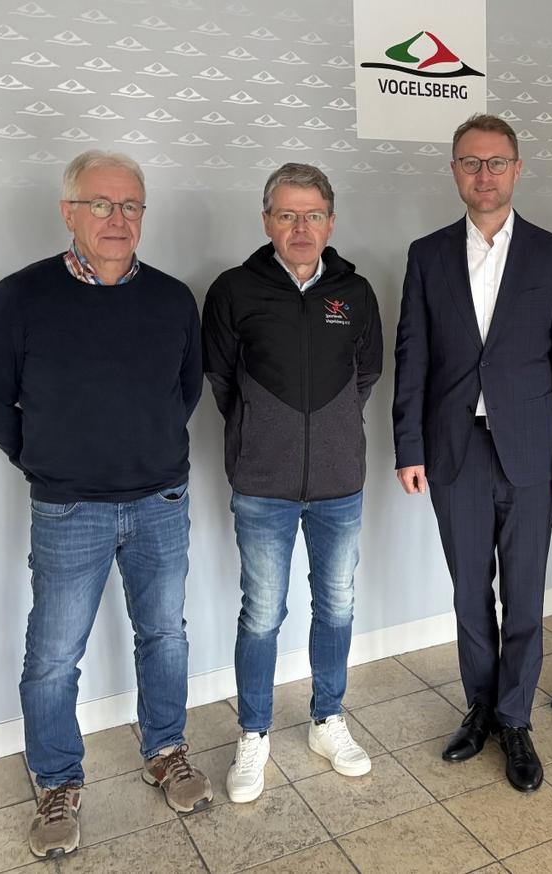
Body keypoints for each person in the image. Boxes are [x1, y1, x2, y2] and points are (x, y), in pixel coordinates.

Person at [0, 150, 211, 859]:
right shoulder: (21, 296)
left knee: (164, 635)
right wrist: (41, 456)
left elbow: (186, 388)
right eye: (100, 204)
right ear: (68, 212)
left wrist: (149, 445)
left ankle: (165, 749)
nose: (117, 219)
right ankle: (56, 780)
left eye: (130, 205)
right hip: (69, 508)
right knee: (54, 657)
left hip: (160, 499)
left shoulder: (172, 298)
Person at [393, 113, 552, 793]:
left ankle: (515, 718)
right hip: (454, 451)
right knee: (469, 592)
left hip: (532, 453)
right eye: (471, 162)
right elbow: (413, 358)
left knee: (526, 595)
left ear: (516, 168)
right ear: (455, 171)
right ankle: (480, 707)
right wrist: (408, 445)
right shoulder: (427, 255)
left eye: (496, 162)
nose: (484, 175)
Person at [202, 163, 382, 801]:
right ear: (267, 221)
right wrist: (264, 432)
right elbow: (222, 381)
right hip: (262, 485)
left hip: (339, 482)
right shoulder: (232, 291)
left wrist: (327, 434)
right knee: (262, 613)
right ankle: (253, 733)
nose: (300, 227)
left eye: (312, 215)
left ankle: (327, 719)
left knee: (337, 605)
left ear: (330, 222)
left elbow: (366, 375)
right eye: (287, 215)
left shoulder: (355, 293)